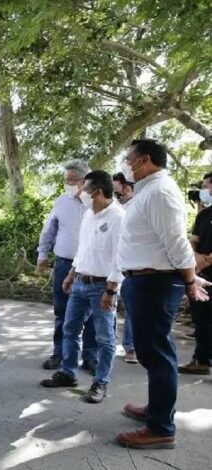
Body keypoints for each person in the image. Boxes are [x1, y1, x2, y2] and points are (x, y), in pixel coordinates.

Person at [116, 139, 210, 449]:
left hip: (155, 283)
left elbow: (177, 242)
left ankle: (161, 427)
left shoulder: (159, 192)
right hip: (143, 281)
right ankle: (155, 411)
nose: (125, 163)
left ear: (144, 160)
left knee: (157, 354)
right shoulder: (147, 191)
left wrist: (190, 280)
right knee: (151, 351)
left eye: (128, 158)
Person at [40, 171, 124, 403]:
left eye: (84, 189)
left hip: (102, 287)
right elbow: (83, 249)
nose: (80, 193)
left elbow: (121, 258)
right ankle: (68, 373)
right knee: (70, 329)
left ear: (97, 191)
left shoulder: (118, 217)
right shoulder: (89, 215)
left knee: (105, 338)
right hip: (79, 282)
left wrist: (111, 290)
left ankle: (100, 383)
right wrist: (70, 275)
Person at [37, 160, 98, 372]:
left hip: (92, 267)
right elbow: (49, 230)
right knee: (62, 311)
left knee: (92, 315)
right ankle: (60, 353)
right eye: (66, 180)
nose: (68, 184)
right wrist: (42, 254)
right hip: (64, 264)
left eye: (72, 180)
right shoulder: (62, 202)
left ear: (85, 181)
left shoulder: (97, 203)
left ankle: (90, 357)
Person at [179, 172, 212, 376]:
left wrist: (207, 259)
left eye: (206, 186)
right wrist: (195, 256)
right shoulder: (204, 214)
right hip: (202, 276)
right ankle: (201, 360)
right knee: (201, 319)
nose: (203, 191)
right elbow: (194, 239)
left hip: (205, 266)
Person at [112, 172, 138, 364]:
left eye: (117, 188)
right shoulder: (116, 206)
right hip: (114, 261)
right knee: (110, 302)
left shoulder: (137, 206)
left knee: (130, 307)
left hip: (132, 264)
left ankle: (130, 347)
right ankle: (109, 343)